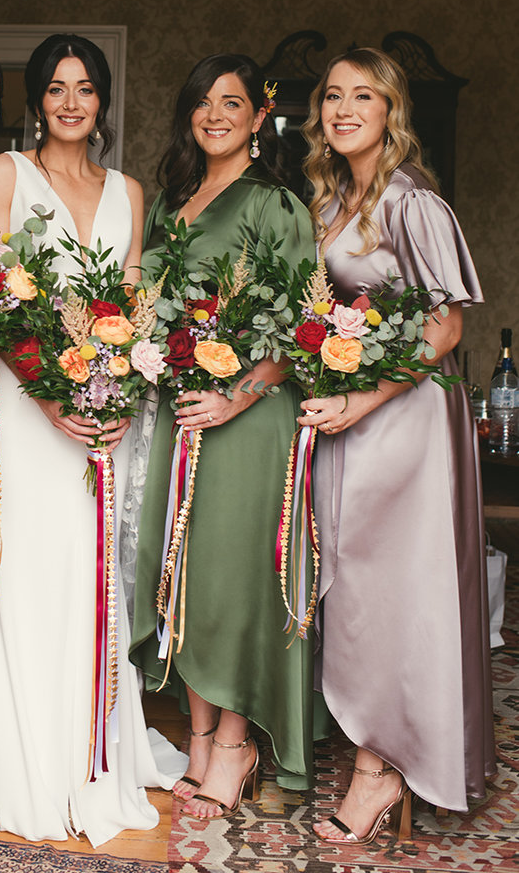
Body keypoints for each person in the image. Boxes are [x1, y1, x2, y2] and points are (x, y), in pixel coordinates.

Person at [0, 34, 184, 846]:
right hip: (28, 408)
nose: (70, 101)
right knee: (32, 567)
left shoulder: (128, 189)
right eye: (56, 87)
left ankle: (96, 746)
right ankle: (36, 756)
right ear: (38, 100)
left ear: (102, 101)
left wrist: (122, 392)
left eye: (84, 88)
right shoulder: (6, 174)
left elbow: (132, 312)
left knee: (93, 572)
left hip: (103, 411)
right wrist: (52, 395)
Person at [298, 47, 496, 843]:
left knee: (390, 592)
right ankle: (374, 744)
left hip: (403, 425)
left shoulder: (414, 205)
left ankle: (381, 768)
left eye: (364, 97)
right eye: (333, 96)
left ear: (391, 112)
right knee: (352, 588)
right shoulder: (332, 200)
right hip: (353, 417)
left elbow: (446, 325)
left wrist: (363, 395)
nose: (345, 109)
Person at [130, 54, 317, 818]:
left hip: (245, 418)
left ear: (257, 117)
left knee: (236, 580)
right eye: (203, 101)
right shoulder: (174, 200)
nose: (215, 114)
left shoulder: (276, 204)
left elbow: (301, 327)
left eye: (231, 102)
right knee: (187, 576)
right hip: (183, 410)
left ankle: (236, 744)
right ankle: (200, 736)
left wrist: (235, 399)